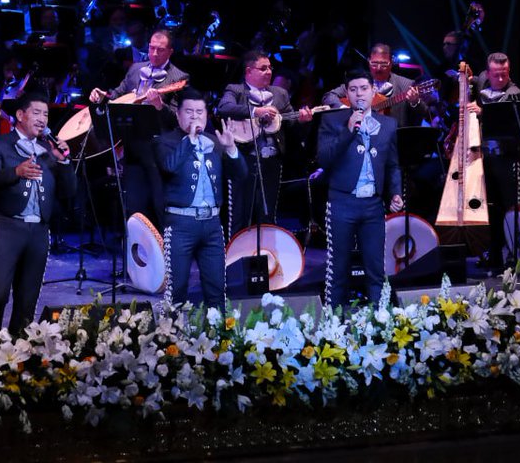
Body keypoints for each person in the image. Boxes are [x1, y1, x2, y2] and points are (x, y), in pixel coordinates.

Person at [0, 91, 74, 335]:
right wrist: (16, 172)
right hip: (6, 227)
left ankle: (18, 353)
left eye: (46, 114)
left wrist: (63, 162)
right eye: (37, 113)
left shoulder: (48, 151)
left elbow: (70, 191)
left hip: (39, 230)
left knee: (27, 299)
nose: (43, 119)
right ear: (20, 115)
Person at [317, 70, 403, 308]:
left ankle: (379, 322)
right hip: (342, 202)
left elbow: (393, 164)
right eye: (353, 90)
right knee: (339, 270)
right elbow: (324, 159)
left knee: (376, 269)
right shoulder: (332, 120)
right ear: (347, 94)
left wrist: (395, 193)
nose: (359, 94)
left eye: (363, 88)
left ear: (373, 91)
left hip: (373, 205)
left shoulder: (388, 125)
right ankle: (334, 325)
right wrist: (348, 130)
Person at [154, 88, 244, 307]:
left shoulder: (215, 141)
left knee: (216, 290)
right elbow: (169, 167)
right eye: (189, 111)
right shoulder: (165, 141)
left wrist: (231, 148)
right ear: (178, 115)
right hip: (180, 224)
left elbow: (240, 175)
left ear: (206, 115)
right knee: (177, 290)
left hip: (212, 225)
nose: (195, 116)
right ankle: (174, 339)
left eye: (200, 112)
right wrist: (190, 140)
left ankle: (218, 338)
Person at [89, 29, 188, 220]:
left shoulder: (178, 77)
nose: (155, 53)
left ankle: (163, 248)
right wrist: (103, 96)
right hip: (132, 144)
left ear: (170, 51)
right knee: (133, 205)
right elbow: (118, 95)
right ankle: (134, 246)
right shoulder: (136, 69)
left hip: (159, 148)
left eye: (160, 49)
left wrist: (160, 106)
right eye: (152, 48)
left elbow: (178, 119)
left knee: (160, 204)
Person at [217, 50, 312, 234]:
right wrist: (255, 112)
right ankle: (237, 261)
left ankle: (264, 261)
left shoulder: (280, 94)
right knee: (240, 215)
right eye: (263, 68)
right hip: (243, 161)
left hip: (271, 162)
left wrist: (303, 121)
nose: (269, 71)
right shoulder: (235, 90)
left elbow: (291, 125)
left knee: (267, 215)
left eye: (270, 68)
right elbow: (223, 108)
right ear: (249, 71)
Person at [473, 52, 520, 270]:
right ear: (488, 73)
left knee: (510, 208)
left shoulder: (515, 94)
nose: (501, 78)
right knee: (491, 208)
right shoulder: (481, 89)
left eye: (504, 73)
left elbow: (505, 122)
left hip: (506, 159)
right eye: (496, 74)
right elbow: (471, 80)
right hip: (484, 157)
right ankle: (493, 253)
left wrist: (482, 112)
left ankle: (515, 255)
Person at [322, 42, 425, 127]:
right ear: (368, 61)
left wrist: (415, 102)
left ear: (391, 62)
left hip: (393, 142)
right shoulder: (358, 81)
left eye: (383, 64)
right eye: (374, 64)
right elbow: (328, 96)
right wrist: (345, 109)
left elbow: (423, 114)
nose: (378, 68)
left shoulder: (406, 85)